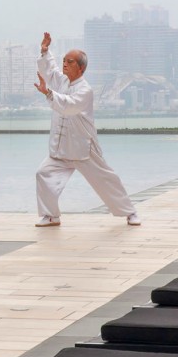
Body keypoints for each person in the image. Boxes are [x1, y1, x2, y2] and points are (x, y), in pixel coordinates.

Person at [32, 31, 140, 227]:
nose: (65, 64)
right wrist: (45, 50)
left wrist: (47, 93)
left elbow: (69, 105)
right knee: (43, 173)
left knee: (106, 179)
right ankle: (51, 215)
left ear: (81, 68)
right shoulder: (62, 80)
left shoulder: (85, 90)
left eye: (70, 61)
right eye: (65, 60)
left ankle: (130, 212)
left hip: (83, 147)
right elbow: (50, 70)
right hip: (61, 147)